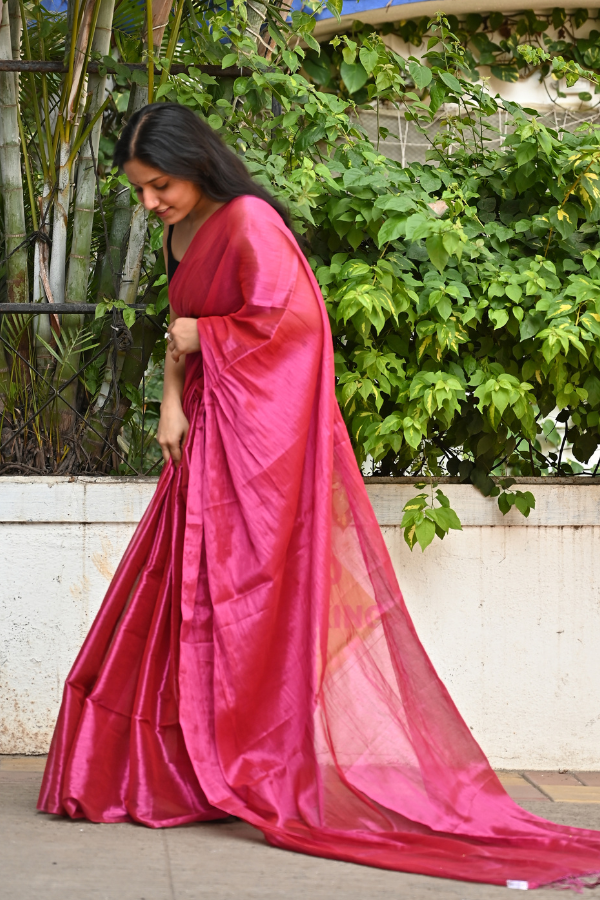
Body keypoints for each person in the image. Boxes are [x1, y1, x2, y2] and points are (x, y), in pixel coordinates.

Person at [38, 103, 600, 889]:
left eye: (159, 186)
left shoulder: (249, 221)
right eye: (140, 190)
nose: (151, 204)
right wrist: (172, 395)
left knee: (249, 601)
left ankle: (250, 758)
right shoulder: (180, 232)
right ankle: (185, 767)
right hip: (205, 427)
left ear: (196, 165)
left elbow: (296, 329)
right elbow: (183, 326)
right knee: (178, 591)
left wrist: (208, 342)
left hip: (263, 448)